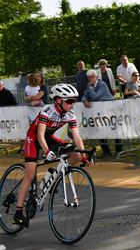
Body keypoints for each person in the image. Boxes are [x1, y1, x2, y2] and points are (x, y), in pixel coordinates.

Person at [12, 84, 91, 228]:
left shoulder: (70, 114)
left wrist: (84, 156)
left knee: (77, 155)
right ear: (59, 100)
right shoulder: (47, 110)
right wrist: (47, 152)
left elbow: (77, 137)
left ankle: (52, 175)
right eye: (69, 101)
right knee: (30, 175)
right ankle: (18, 212)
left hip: (49, 138)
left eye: (74, 101)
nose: (72, 104)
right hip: (34, 139)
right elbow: (40, 135)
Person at [82, 70, 123, 158]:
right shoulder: (89, 86)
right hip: (99, 112)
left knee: (114, 128)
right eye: (89, 78)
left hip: (110, 109)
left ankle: (119, 150)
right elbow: (84, 95)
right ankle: (106, 152)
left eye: (92, 77)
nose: (90, 79)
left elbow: (95, 97)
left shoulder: (102, 84)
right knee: (100, 130)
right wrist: (85, 100)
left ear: (96, 77)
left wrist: (90, 89)